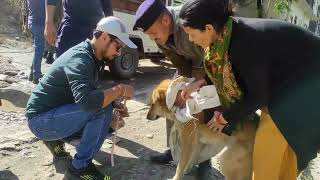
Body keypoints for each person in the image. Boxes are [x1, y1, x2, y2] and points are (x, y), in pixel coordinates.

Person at [179, 0, 320, 179]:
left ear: (208, 28)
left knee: (267, 163)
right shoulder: (228, 35)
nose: (190, 40)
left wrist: (225, 117)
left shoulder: (245, 42)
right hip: (288, 87)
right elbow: (232, 70)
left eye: (191, 34)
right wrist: (202, 82)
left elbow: (258, 95)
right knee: (281, 158)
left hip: (306, 88)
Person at [26, 16, 137, 179]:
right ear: (105, 36)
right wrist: (119, 90)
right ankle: (80, 167)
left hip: (56, 114)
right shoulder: (80, 59)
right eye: (118, 46)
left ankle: (56, 140)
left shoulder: (95, 59)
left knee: (106, 115)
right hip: (40, 121)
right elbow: (88, 103)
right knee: (98, 109)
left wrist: (113, 107)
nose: (119, 53)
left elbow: (90, 96)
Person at [132, 0, 223, 178]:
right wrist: (180, 88)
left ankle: (203, 160)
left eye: (152, 33)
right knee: (170, 99)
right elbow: (179, 63)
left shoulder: (189, 20)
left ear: (165, 21)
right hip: (191, 68)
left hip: (211, 65)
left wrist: (193, 88)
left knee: (199, 108)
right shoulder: (161, 35)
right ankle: (174, 150)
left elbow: (212, 57)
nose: (152, 38)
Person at [45, 0, 113, 57]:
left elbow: (107, 7)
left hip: (93, 33)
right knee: (63, 66)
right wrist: (48, 23)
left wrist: (111, 34)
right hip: (70, 30)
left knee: (90, 68)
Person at [27, 0, 46, 84]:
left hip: (32, 22)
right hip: (39, 24)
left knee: (38, 49)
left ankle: (32, 73)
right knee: (39, 50)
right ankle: (36, 76)